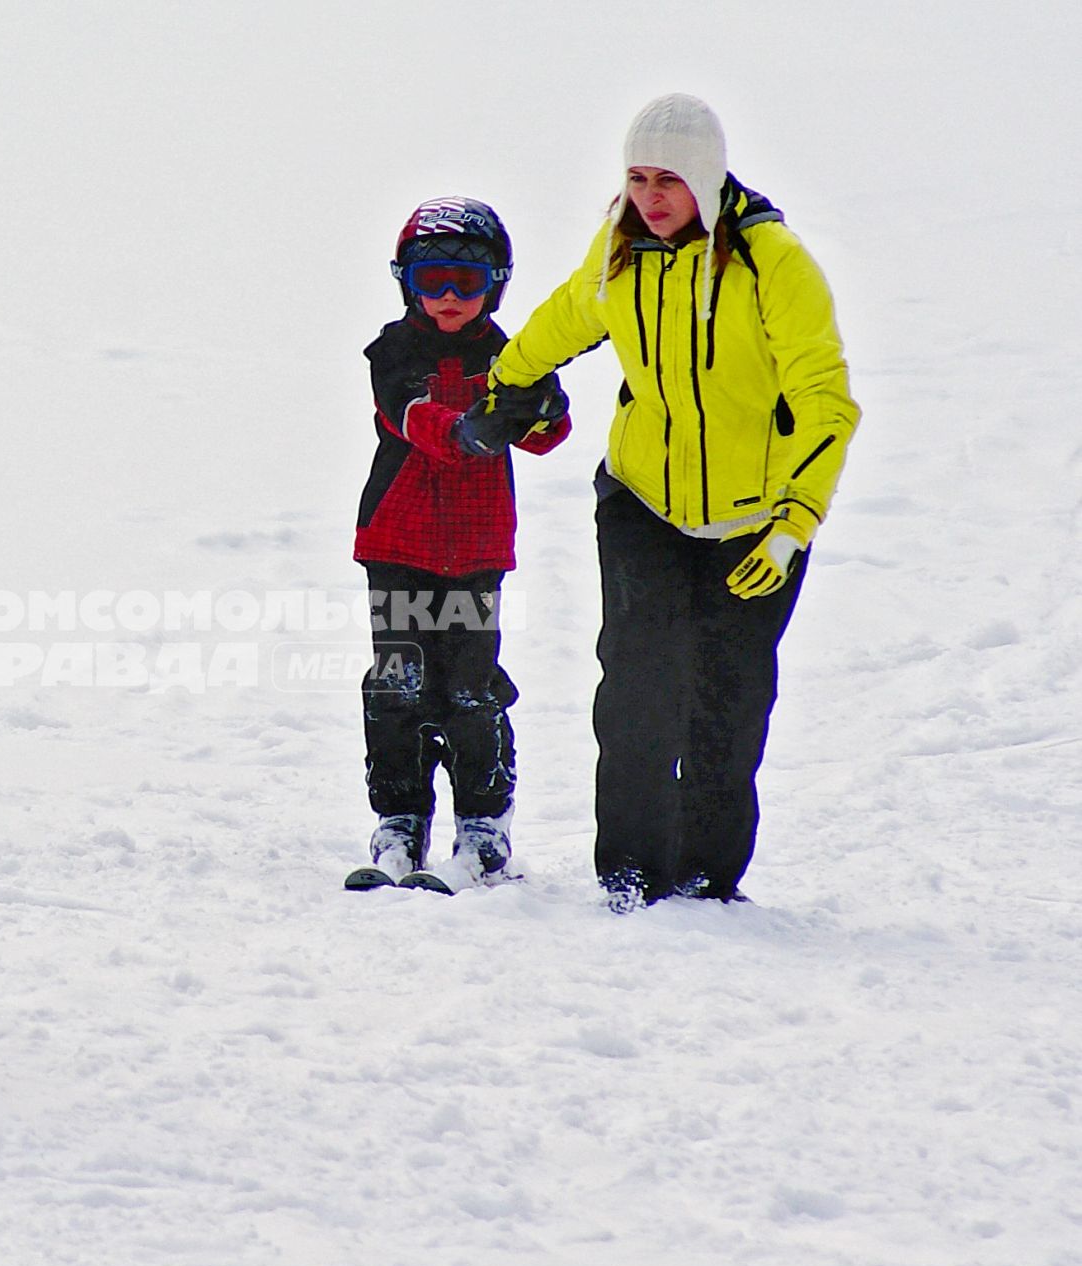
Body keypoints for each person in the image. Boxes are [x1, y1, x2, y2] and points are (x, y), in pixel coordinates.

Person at [457, 93, 859, 910]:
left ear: (706, 180)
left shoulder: (772, 262)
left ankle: (708, 877)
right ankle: (630, 869)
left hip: (755, 522)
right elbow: (567, 315)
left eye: (668, 179)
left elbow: (825, 399)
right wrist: (506, 383)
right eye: (637, 177)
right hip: (641, 502)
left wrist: (793, 525)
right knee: (636, 687)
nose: (650, 196)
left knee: (728, 693)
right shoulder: (621, 250)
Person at [345, 197, 571, 893]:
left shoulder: (512, 356)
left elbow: (543, 436)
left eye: (465, 284)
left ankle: (483, 830)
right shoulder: (393, 350)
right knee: (398, 684)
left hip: (474, 552)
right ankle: (400, 822)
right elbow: (409, 413)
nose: (446, 298)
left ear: (494, 284)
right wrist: (464, 430)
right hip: (397, 545)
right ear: (405, 282)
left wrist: (540, 408)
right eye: (430, 279)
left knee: (469, 687)